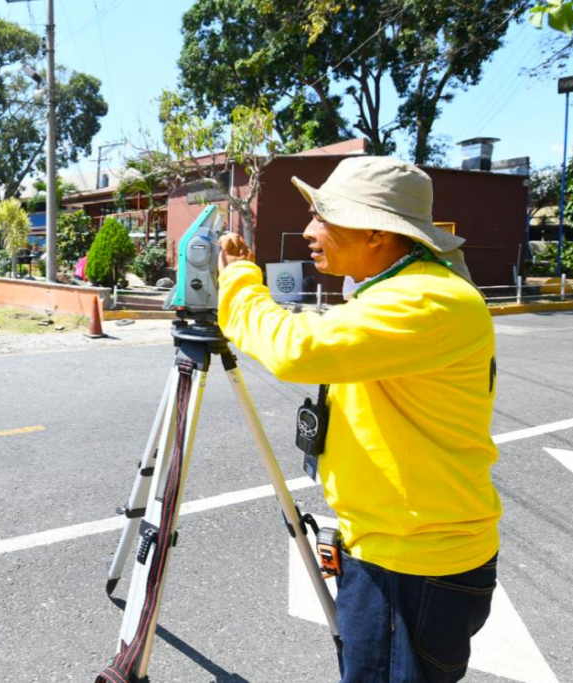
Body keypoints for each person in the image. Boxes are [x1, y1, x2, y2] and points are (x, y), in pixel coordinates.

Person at [215, 157, 501, 683]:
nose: (308, 230)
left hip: (412, 565)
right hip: (398, 546)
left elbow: (297, 350)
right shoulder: (395, 291)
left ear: (376, 231)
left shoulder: (428, 300)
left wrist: (237, 284)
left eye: (324, 216)